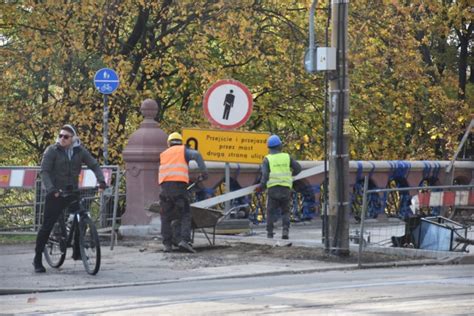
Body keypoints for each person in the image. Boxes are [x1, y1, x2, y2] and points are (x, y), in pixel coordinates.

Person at [33, 124, 106, 273]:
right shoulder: (52, 151)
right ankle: (37, 258)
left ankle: (78, 251)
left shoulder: (79, 151)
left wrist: (101, 181)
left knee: (82, 216)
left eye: (65, 136)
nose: (62, 139)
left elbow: (94, 164)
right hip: (55, 193)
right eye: (60, 136)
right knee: (47, 225)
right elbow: (44, 171)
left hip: (72, 191)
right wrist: (51, 188)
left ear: (73, 139)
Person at [159, 132, 208, 253]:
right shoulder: (183, 150)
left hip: (164, 188)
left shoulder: (163, 154)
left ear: (169, 143)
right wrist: (203, 172)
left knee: (165, 217)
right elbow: (196, 155)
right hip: (179, 187)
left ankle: (167, 244)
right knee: (185, 213)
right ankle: (184, 241)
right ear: (180, 142)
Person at [256, 134, 301, 239]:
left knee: (270, 211)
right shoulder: (287, 157)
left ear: (269, 148)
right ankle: (285, 231)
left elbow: (265, 176)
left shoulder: (267, 159)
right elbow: (298, 169)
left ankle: (270, 233)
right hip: (285, 188)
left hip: (273, 189)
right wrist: (290, 176)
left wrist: (261, 187)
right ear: (280, 146)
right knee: (285, 211)